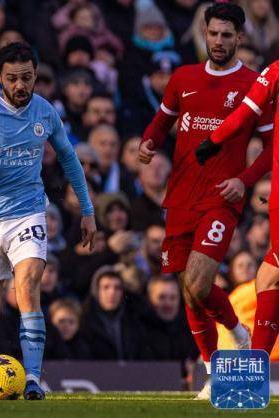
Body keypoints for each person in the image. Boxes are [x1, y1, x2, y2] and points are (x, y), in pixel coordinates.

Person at [138, 3, 271, 399]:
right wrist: (149, 142)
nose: (218, 41)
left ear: (240, 38)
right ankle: (215, 369)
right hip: (180, 194)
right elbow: (162, 120)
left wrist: (244, 181)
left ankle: (236, 331)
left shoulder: (253, 84)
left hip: (221, 197)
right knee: (188, 289)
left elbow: (269, 145)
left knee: (199, 281)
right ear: (205, 33)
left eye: (227, 35)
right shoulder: (183, 77)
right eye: (213, 33)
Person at [0, 42, 96, 400]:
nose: (21, 85)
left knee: (29, 288)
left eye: (27, 78)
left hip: (28, 210)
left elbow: (69, 160)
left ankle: (32, 380)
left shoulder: (44, 112)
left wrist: (88, 210)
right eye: (13, 78)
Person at [194, 10, 279, 370]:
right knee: (270, 272)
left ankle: (257, 366)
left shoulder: (274, 72)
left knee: (272, 273)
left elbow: (244, 114)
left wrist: (211, 141)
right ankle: (257, 364)